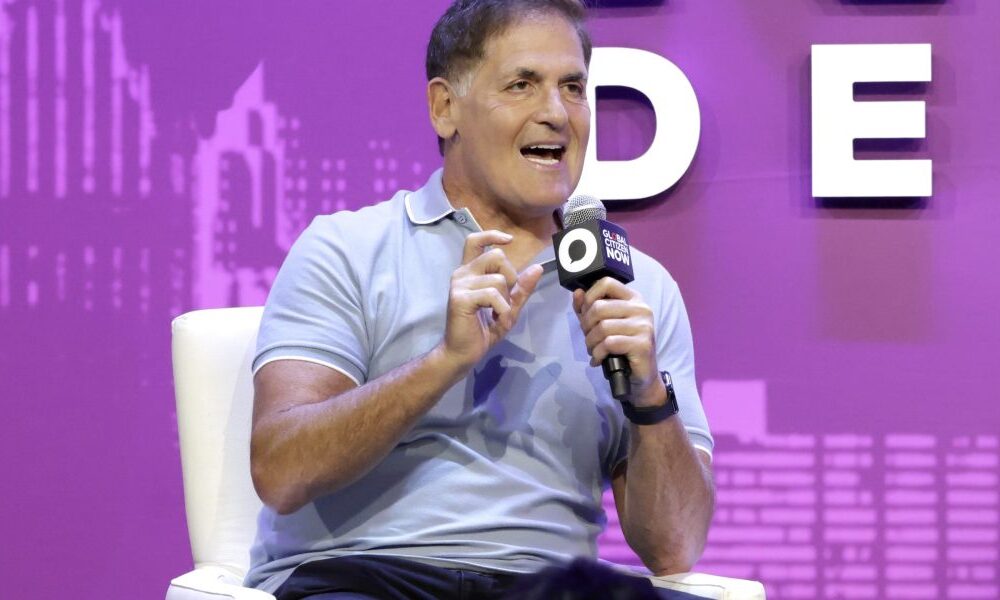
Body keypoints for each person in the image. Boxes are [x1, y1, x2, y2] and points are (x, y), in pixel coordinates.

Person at [246, 1, 715, 598]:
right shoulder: (346, 248)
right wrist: (445, 361)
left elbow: (674, 547)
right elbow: (281, 472)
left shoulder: (635, 288)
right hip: (367, 574)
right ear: (445, 108)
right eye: (522, 85)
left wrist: (648, 398)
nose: (556, 114)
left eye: (573, 88)